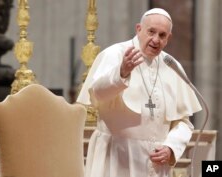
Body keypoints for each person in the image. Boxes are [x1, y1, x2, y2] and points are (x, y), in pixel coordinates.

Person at [77, 8, 202, 177]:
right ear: (138, 29)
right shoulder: (115, 54)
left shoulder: (172, 66)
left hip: (156, 165)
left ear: (168, 38)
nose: (156, 40)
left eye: (162, 35)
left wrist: (171, 147)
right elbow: (97, 94)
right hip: (116, 158)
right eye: (151, 32)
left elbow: (184, 122)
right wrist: (121, 72)